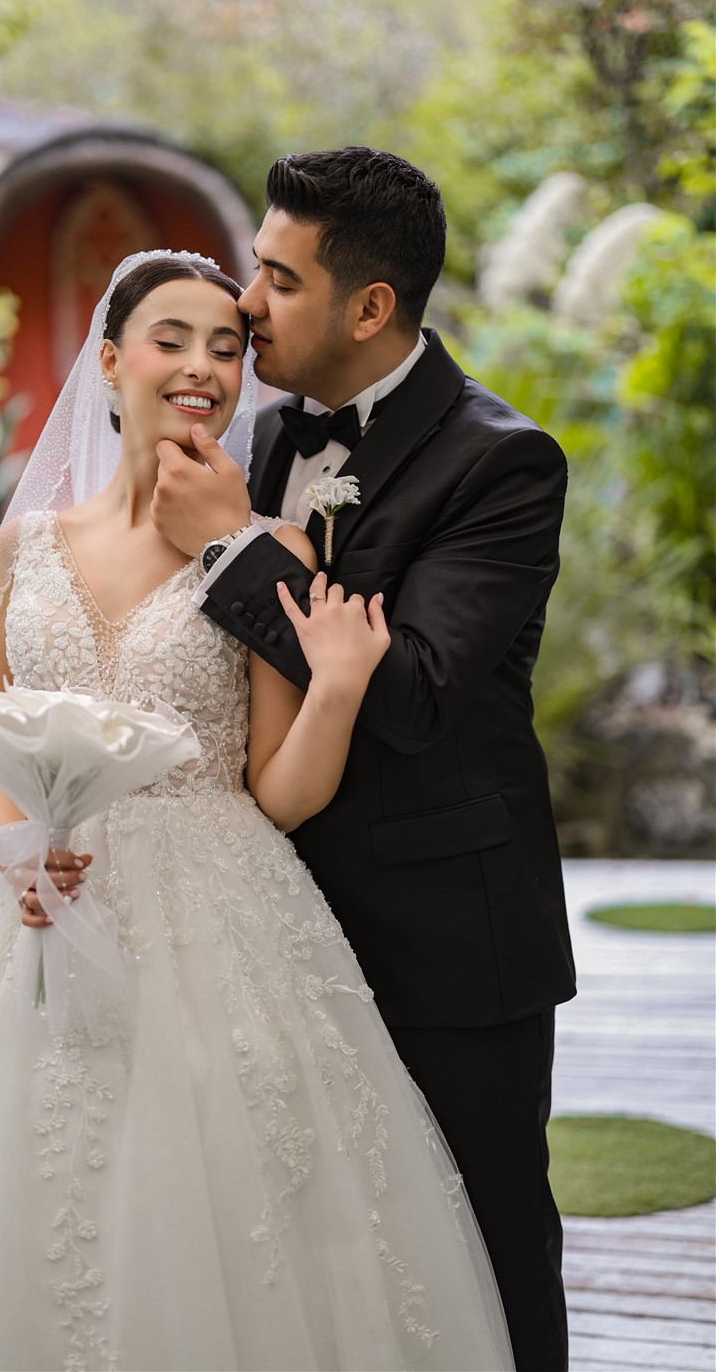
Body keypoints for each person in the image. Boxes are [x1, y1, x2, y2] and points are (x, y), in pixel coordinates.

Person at [0, 251, 515, 1372]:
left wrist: (335, 688)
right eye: (171, 339)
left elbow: (279, 791)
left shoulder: (277, 548)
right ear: (109, 359)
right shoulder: (29, 543)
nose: (202, 367)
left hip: (216, 919)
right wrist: (14, 847)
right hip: (29, 905)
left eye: (226, 347)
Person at [151, 149, 576, 1372]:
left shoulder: (504, 462)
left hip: (445, 941)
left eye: (279, 280)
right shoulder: (257, 435)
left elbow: (418, 691)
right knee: (320, 1266)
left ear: (370, 305)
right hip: (268, 932)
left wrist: (235, 550)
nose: (246, 304)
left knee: (488, 1253)